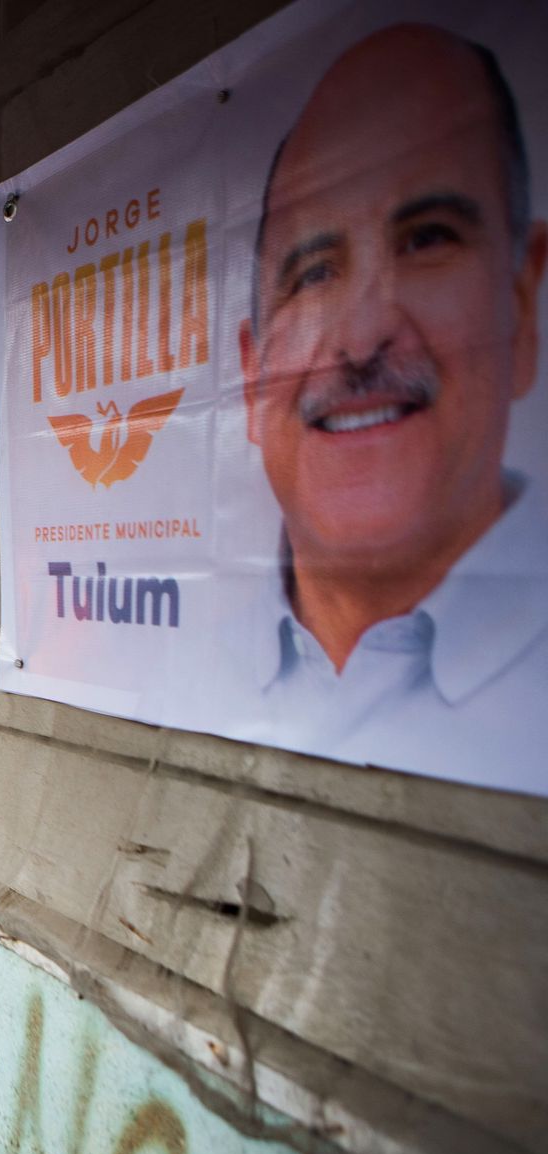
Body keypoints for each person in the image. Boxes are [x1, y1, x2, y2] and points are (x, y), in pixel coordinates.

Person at [223, 23, 548, 789]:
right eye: (313, 272)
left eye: (426, 238)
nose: (363, 333)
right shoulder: (160, 666)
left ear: (523, 306)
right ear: (248, 374)